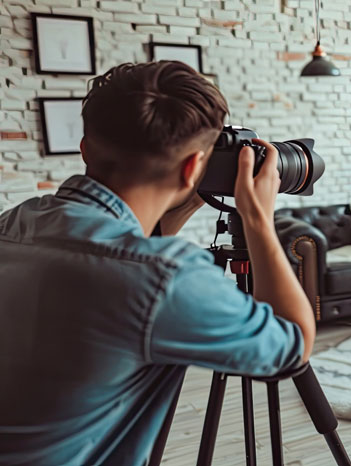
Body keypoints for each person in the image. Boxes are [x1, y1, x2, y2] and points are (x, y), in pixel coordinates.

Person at [0, 61, 316, 465]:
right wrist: (256, 217)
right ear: (192, 169)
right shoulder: (167, 277)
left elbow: (124, 254)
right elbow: (292, 344)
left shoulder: (16, 221)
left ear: (84, 147)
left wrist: (181, 204)